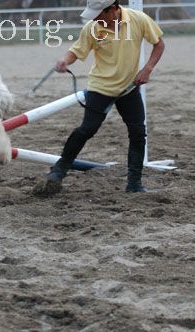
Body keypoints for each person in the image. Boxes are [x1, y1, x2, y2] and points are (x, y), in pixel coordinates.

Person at [34, 0, 165, 196]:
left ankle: (134, 184)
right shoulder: (92, 28)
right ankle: (59, 170)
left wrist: (147, 69)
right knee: (87, 129)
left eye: (98, 14)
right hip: (100, 88)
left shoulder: (138, 20)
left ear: (113, 9)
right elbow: (76, 51)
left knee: (138, 132)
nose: (95, 18)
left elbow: (159, 44)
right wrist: (64, 60)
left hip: (129, 88)